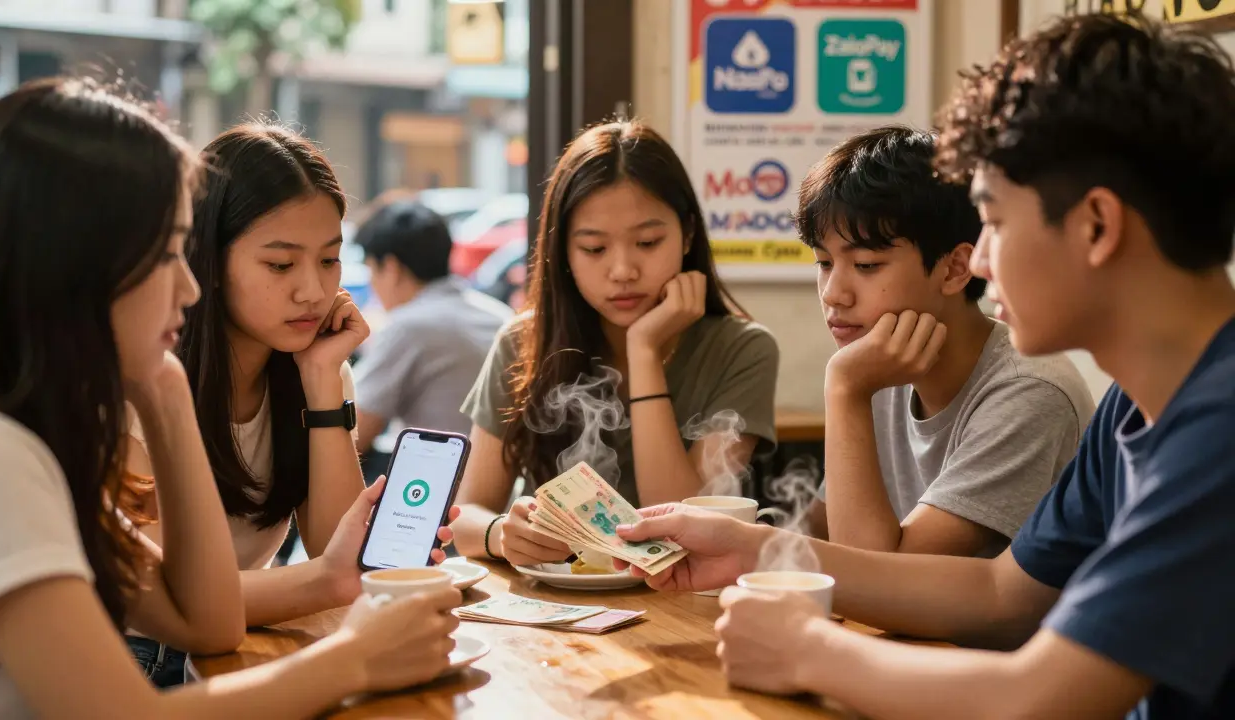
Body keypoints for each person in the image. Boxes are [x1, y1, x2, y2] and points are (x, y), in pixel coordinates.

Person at [615, 15, 1235, 720]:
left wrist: (811, 653)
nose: (981, 260)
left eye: (995, 222)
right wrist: (750, 547)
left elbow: (1041, 697)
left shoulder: (1219, 430)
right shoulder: (1137, 403)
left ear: (1097, 225)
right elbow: (1003, 595)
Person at [0, 76, 459, 718]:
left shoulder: (34, 438)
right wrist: (353, 657)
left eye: (330, 260)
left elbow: (209, 622)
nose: (190, 290)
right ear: (76, 265)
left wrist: (166, 396)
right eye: (168, 254)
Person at [451, 120, 781, 567]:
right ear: (562, 253)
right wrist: (501, 534)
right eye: (594, 249)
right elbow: (468, 514)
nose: (623, 269)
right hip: (557, 605)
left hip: (681, 605)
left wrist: (643, 349)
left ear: (686, 234)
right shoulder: (523, 343)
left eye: (647, 242)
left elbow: (684, 528)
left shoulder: (744, 350)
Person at [800, 126, 1094, 557]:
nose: (833, 293)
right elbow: (821, 528)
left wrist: (844, 390)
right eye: (824, 263)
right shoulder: (880, 362)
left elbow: (885, 581)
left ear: (956, 269)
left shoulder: (1029, 392)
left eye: (865, 264)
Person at [350, 200, 514, 463]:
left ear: (390, 268)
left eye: (371, 271)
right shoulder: (498, 314)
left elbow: (355, 436)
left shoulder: (409, 326)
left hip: (441, 487)